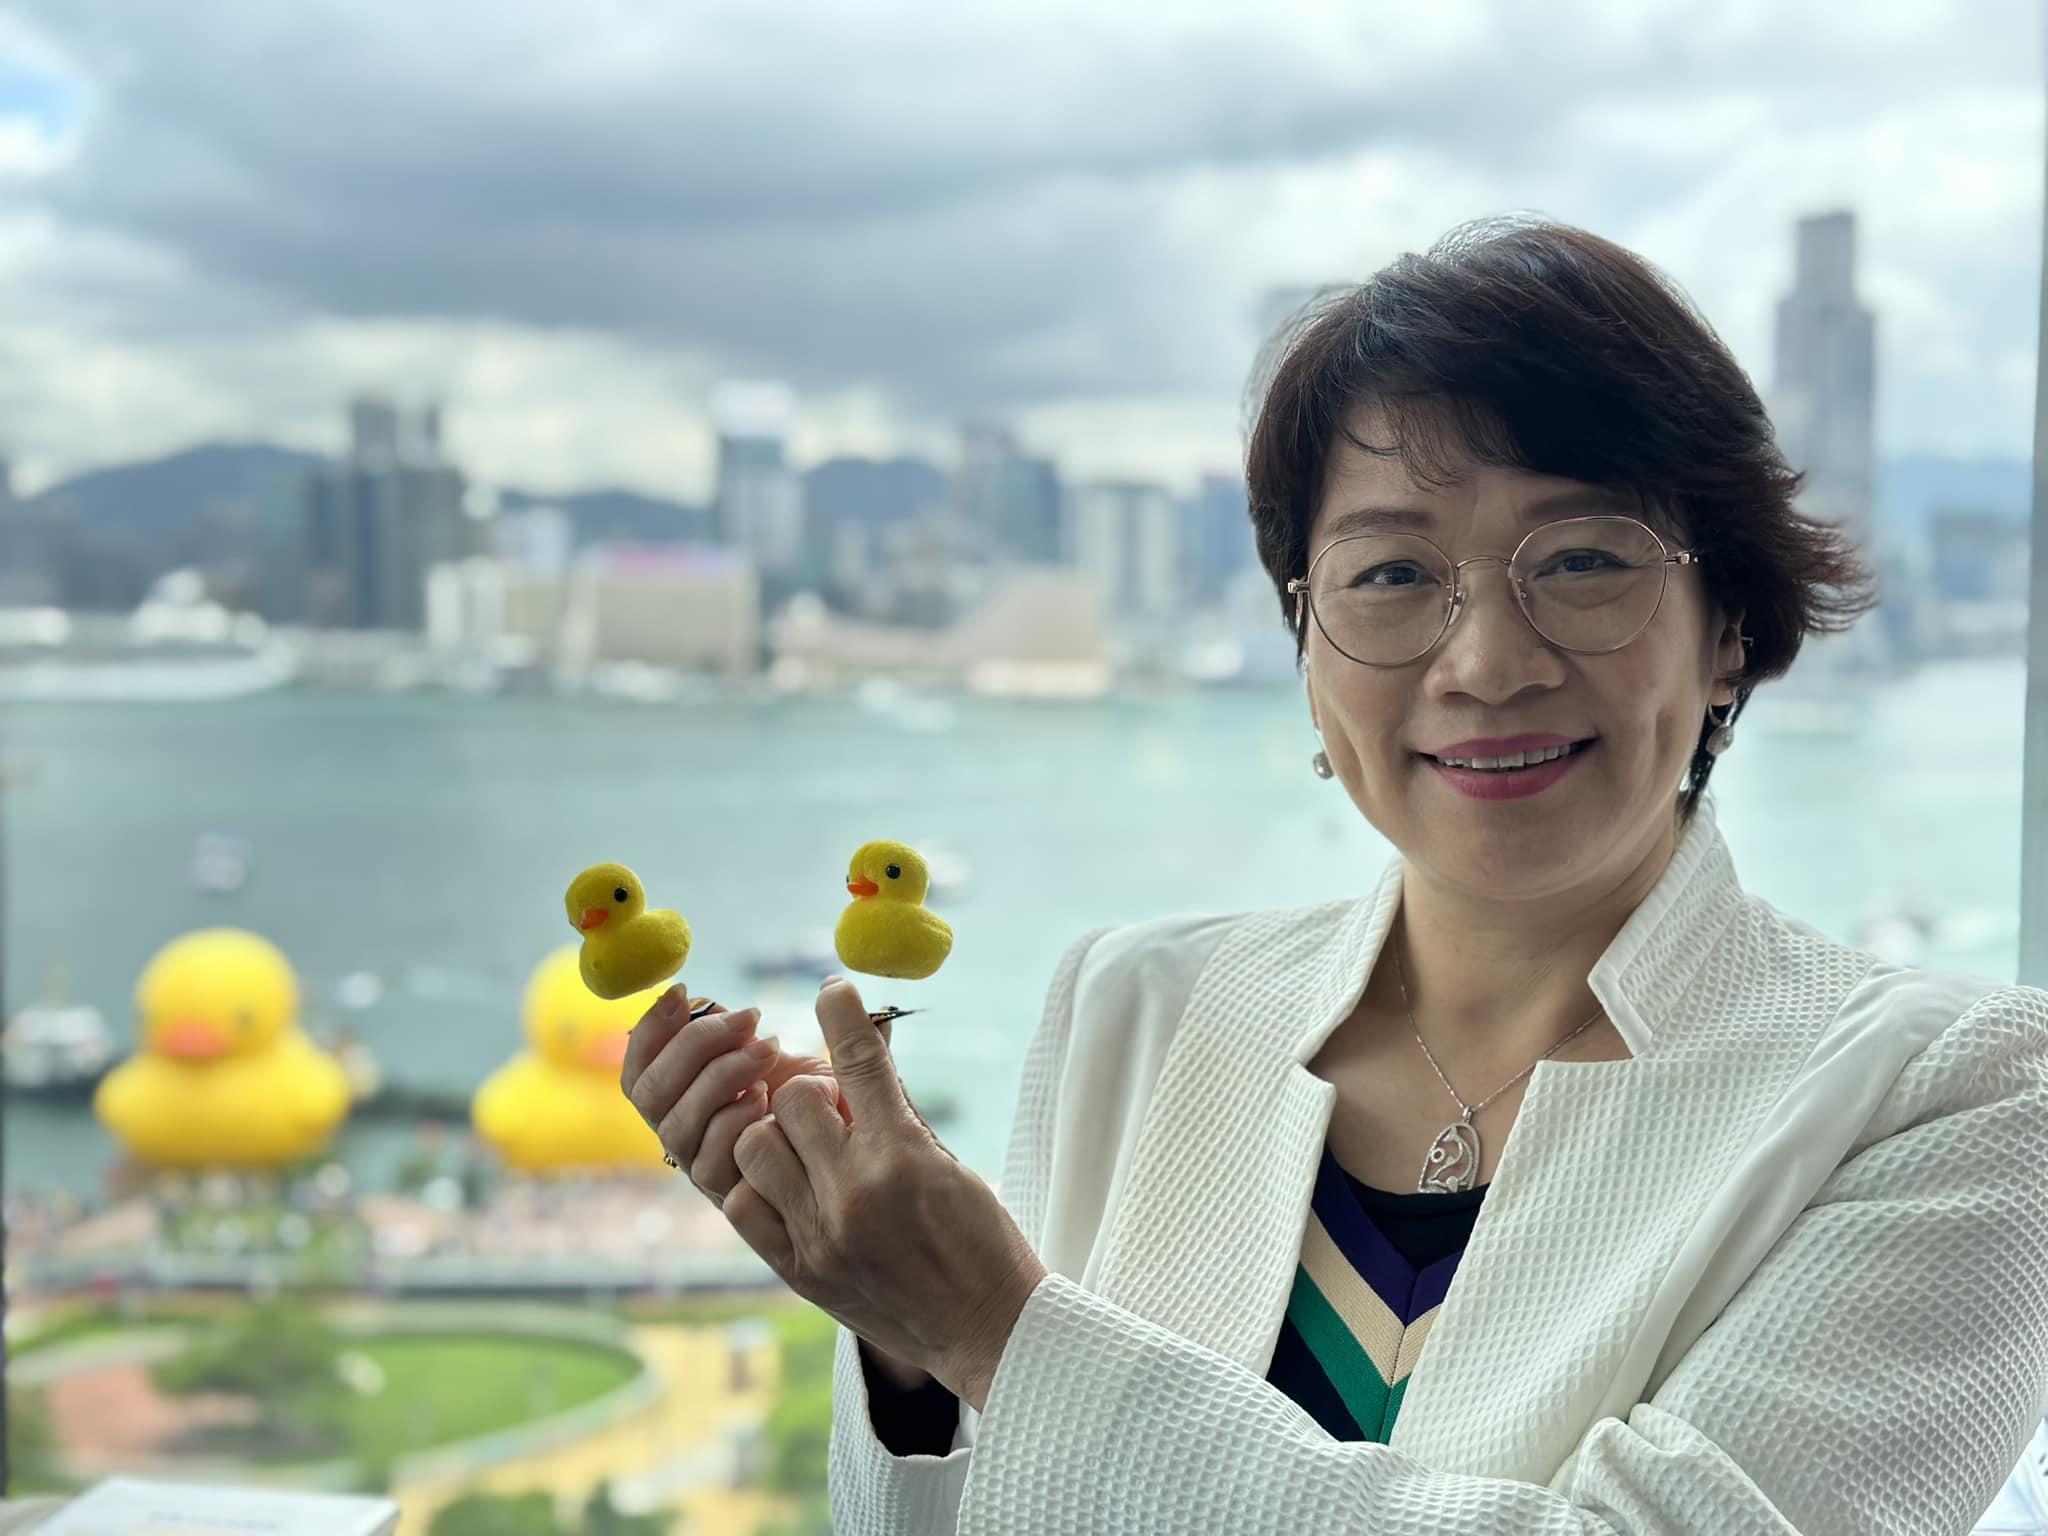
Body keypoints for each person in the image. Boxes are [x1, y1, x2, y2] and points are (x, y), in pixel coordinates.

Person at [622, 216, 2048, 1534]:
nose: (1487, 663)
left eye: (1582, 561)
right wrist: (905, 1343)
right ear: (1307, 647)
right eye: (1391, 576)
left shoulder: (1956, 1098)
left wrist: (995, 1332)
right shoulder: (1137, 1008)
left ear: (1727, 624)